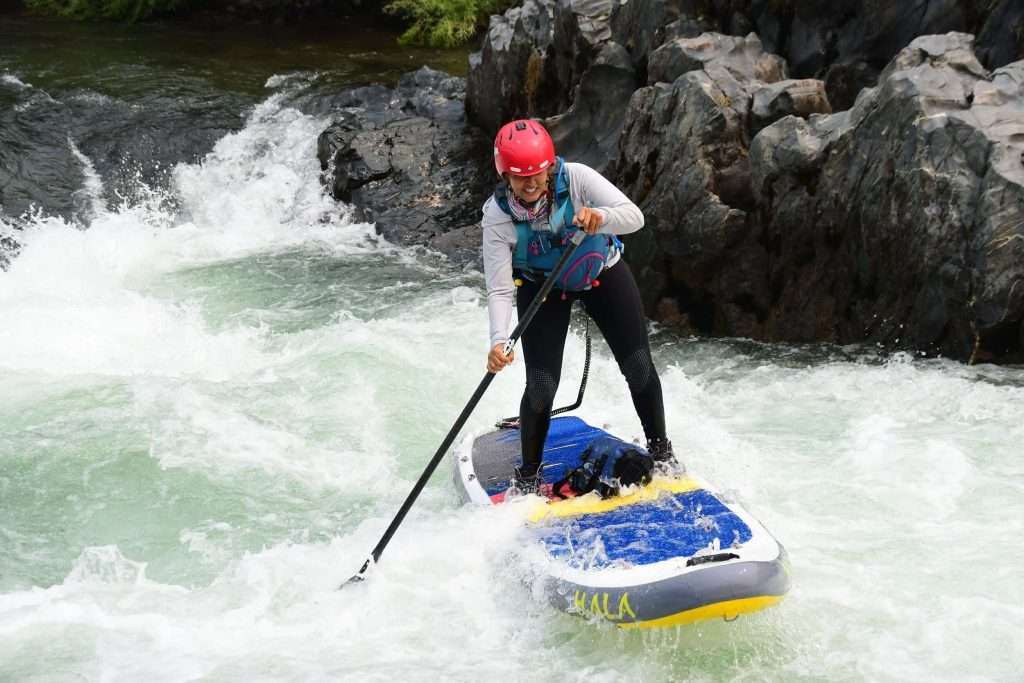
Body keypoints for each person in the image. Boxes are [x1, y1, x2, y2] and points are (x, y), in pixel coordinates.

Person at [481, 119, 675, 489]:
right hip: (543, 288)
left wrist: (601, 218)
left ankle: (662, 452)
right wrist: (498, 339)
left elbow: (634, 217)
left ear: (549, 166)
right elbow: (501, 288)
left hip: (602, 273)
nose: (531, 184)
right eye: (521, 178)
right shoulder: (498, 215)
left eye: (537, 174)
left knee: (637, 366)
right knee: (540, 385)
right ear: (504, 174)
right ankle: (529, 476)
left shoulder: (577, 178)